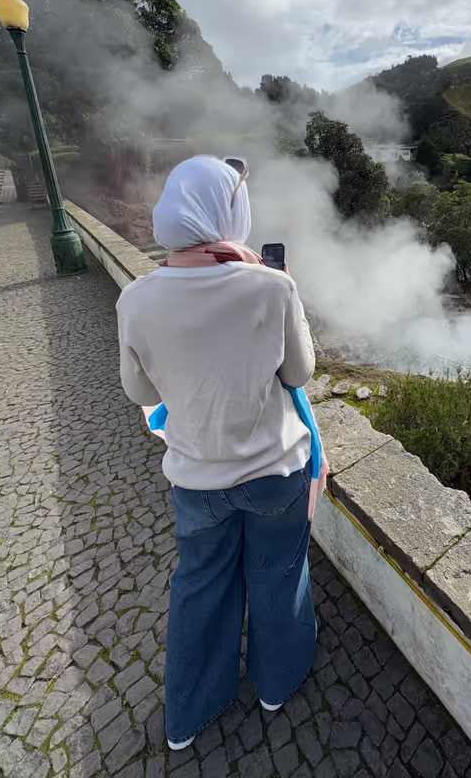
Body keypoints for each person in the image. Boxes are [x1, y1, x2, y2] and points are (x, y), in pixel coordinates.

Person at [116, 155, 319, 750]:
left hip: (197, 480)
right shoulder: (270, 285)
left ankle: (189, 714)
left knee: (201, 583)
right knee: (278, 574)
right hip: (275, 473)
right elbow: (300, 372)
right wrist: (282, 286)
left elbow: (141, 392)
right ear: (230, 212)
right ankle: (277, 683)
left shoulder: (137, 299)